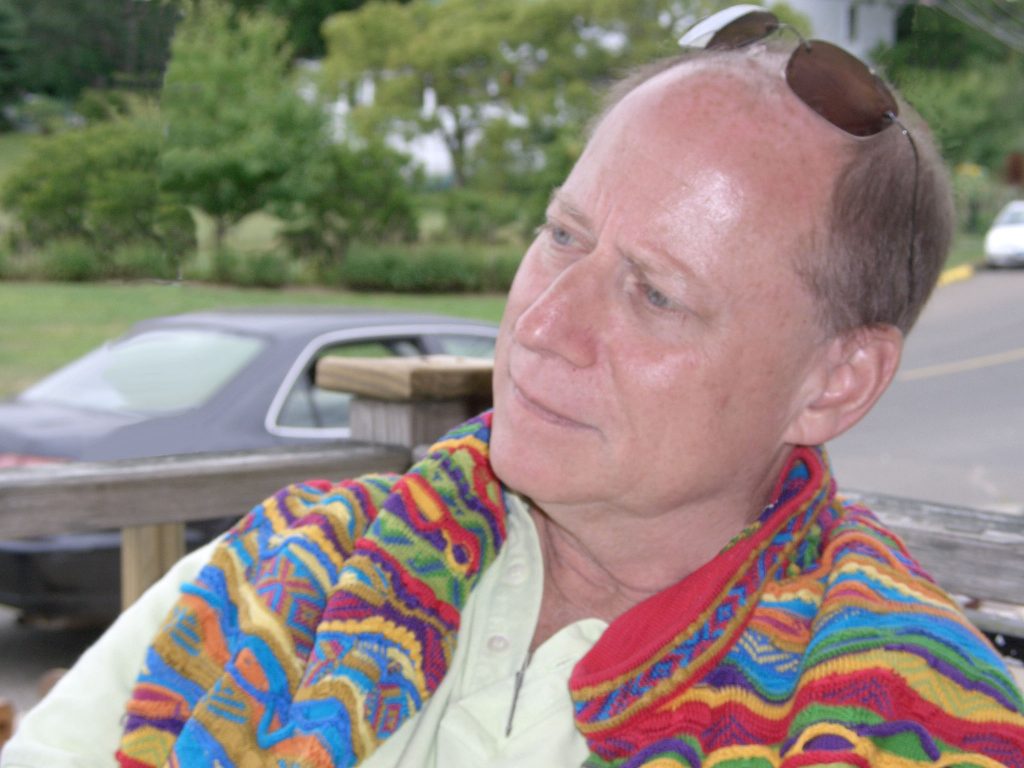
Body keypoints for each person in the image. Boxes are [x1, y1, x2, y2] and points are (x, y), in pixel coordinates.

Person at [4, 6, 1024, 767]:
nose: (540, 325)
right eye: (562, 235)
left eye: (655, 294)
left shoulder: (913, 720)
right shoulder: (282, 573)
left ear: (835, 382)